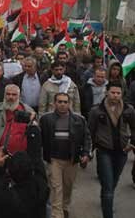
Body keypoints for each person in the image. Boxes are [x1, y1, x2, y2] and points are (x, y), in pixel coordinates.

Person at [0, 120, 49, 218]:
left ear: (9, 172)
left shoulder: (2, 197)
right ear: (31, 169)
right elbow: (36, 157)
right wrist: (33, 129)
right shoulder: (40, 187)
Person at [40, 93, 91, 218]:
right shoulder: (46, 119)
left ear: (69, 104)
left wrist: (86, 153)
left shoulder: (79, 120)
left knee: (68, 187)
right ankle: (57, 213)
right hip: (54, 159)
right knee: (56, 188)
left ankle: (65, 207)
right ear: (54, 103)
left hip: (71, 160)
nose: (62, 104)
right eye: (59, 101)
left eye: (65, 102)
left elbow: (86, 138)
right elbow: (40, 139)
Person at [88, 82, 135, 218]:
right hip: (104, 151)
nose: (115, 95)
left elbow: (133, 128)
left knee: (113, 181)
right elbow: (90, 131)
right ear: (106, 92)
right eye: (113, 92)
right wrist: (89, 152)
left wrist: (132, 143)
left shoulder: (129, 110)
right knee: (108, 186)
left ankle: (106, 200)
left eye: (118, 93)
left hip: (122, 151)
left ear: (121, 94)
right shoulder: (97, 110)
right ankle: (108, 212)